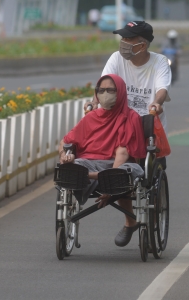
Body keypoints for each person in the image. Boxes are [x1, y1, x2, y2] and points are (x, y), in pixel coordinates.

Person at [59, 74, 146, 247]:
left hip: (118, 166)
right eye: (101, 90)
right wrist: (64, 154)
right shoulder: (90, 118)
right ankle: (92, 175)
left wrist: (110, 183)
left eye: (110, 90)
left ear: (120, 92)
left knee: (128, 171)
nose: (105, 94)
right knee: (74, 165)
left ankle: (94, 176)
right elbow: (66, 141)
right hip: (91, 163)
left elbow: (122, 152)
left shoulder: (131, 117)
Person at [85, 21, 172, 134]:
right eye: (123, 38)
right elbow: (103, 84)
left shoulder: (160, 62)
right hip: (121, 125)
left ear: (142, 46)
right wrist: (95, 102)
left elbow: (162, 89)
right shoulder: (116, 58)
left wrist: (156, 102)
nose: (123, 42)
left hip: (149, 126)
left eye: (128, 39)